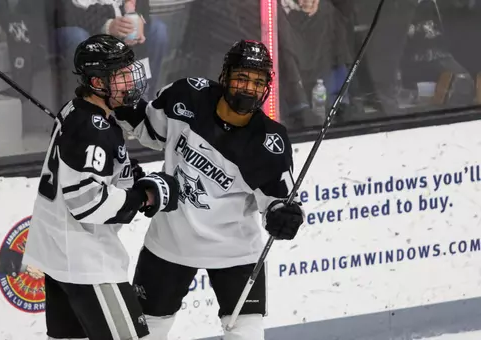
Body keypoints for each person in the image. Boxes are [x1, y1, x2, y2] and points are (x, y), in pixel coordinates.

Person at [113, 40, 306, 339]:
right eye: (242, 78)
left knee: (245, 331)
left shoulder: (270, 141)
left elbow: (277, 202)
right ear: (225, 76)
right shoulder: (188, 96)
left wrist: (285, 217)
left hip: (235, 251)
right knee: (148, 329)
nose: (249, 88)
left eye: (258, 82)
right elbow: (148, 128)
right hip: (170, 242)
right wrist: (117, 104)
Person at [22, 34, 180, 340]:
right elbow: (87, 202)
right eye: (120, 76)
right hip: (86, 262)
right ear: (96, 82)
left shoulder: (78, 111)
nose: (129, 82)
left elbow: (87, 174)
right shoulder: (92, 128)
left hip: (57, 254)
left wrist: (127, 175)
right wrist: (142, 196)